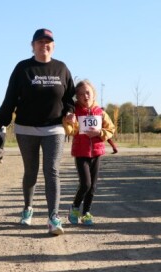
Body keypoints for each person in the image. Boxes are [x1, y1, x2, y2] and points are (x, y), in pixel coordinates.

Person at [0, 28, 75, 235]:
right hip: (26, 128)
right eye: (39, 41)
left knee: (52, 171)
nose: (44, 45)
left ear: (53, 46)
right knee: (31, 170)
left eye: (48, 42)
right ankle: (28, 208)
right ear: (33, 45)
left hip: (54, 128)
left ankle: (53, 218)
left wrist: (70, 113)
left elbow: (69, 99)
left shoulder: (62, 68)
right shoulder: (23, 68)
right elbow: (10, 99)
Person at [64, 80, 115, 226]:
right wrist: (68, 121)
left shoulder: (101, 112)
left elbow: (111, 129)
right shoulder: (74, 111)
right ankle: (74, 209)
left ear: (93, 94)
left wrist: (100, 132)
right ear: (77, 97)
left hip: (97, 152)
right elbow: (71, 131)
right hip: (81, 153)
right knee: (85, 184)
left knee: (92, 186)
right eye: (80, 94)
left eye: (87, 93)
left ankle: (86, 212)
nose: (85, 96)